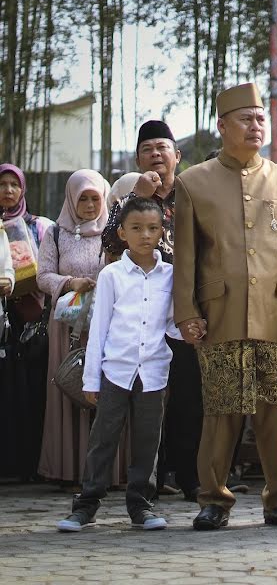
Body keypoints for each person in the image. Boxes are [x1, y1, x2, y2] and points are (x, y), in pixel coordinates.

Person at [173, 82, 277, 530]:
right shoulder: (193, 182)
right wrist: (186, 311)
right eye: (245, 119)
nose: (256, 125)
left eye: (260, 118)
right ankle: (214, 498)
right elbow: (185, 257)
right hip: (220, 313)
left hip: (276, 312)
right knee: (222, 409)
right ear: (222, 126)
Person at [56, 197, 204, 532]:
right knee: (103, 438)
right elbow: (99, 329)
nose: (145, 235)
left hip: (154, 371)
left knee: (148, 441)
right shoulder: (111, 275)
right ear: (122, 232)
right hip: (114, 371)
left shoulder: (171, 275)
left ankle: (141, 505)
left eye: (153, 228)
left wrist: (189, 330)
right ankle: (87, 504)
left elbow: (170, 324)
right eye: (136, 228)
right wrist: (91, 379)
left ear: (162, 231)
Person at [103, 121, 204, 502]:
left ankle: (191, 477)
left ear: (177, 156)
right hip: (143, 316)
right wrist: (136, 198)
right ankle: (152, 479)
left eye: (163, 147)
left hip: (188, 311)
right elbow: (111, 243)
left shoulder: (195, 194)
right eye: (148, 149)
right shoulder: (129, 199)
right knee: (150, 399)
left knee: (190, 397)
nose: (156, 154)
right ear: (138, 159)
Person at [37, 170, 130, 487]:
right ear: (71, 199)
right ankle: (69, 469)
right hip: (69, 325)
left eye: (95, 198)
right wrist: (70, 283)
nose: (90, 204)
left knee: (108, 393)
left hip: (108, 324)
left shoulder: (117, 231)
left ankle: (109, 472)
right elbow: (43, 276)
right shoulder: (55, 234)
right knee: (71, 387)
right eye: (83, 198)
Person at [0, 163, 54, 480]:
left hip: (31, 322)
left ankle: (29, 463)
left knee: (30, 390)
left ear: (23, 190)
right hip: (1, 322)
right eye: (2, 184)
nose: (8, 191)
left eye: (13, 185)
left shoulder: (38, 226)